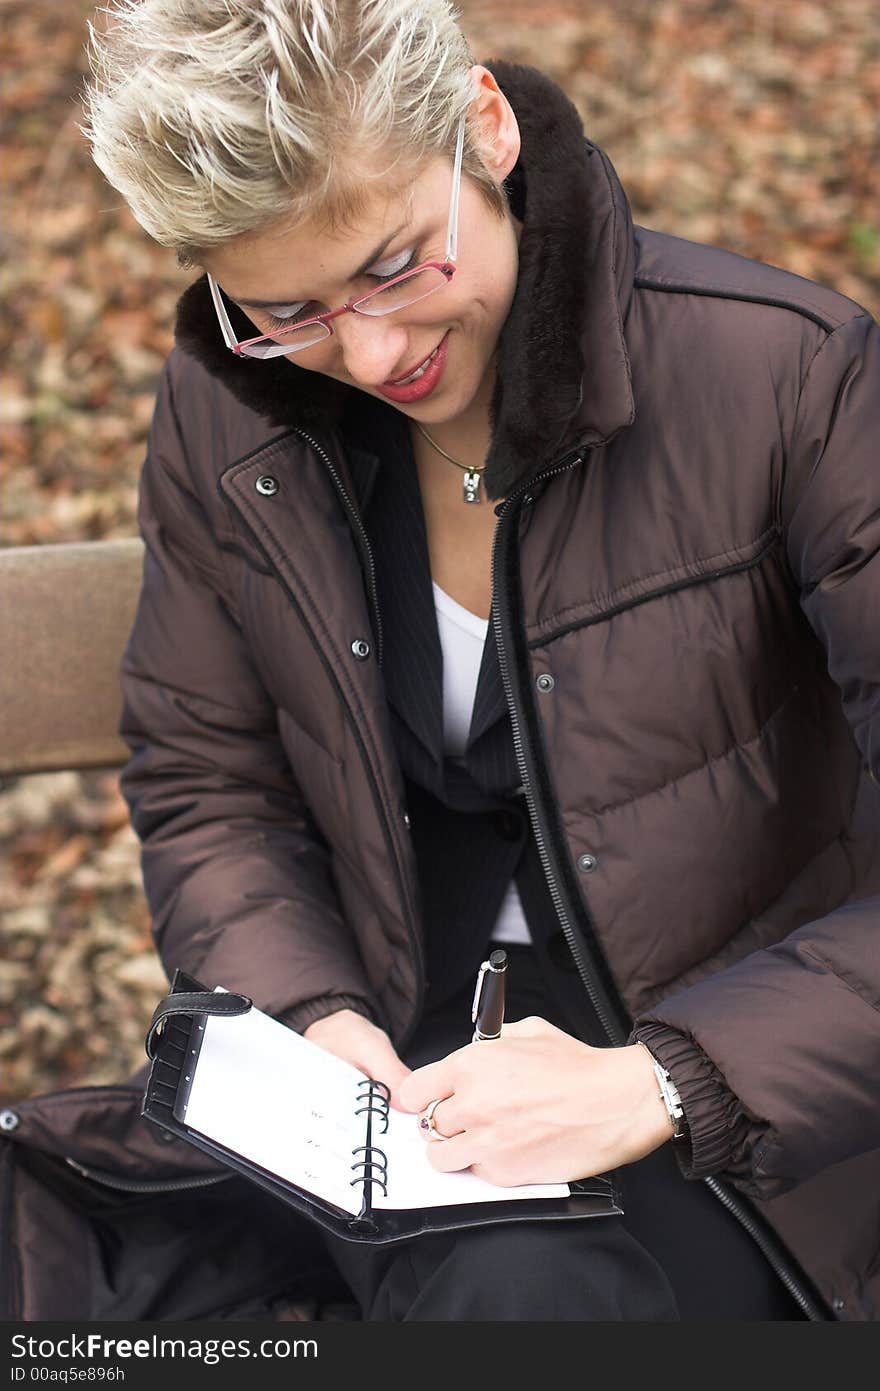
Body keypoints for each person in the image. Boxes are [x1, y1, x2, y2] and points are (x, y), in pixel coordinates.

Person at [82, 0, 880, 1321]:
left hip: (740, 1106)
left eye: (397, 265)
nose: (375, 354)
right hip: (377, 1085)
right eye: (290, 310)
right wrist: (309, 1020)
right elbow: (207, 779)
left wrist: (662, 1081)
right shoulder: (229, 405)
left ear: (488, 127)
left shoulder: (792, 380)